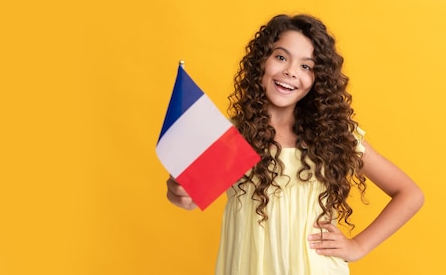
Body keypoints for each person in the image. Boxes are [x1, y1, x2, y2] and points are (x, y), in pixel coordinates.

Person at [166, 14, 424, 274]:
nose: (290, 71)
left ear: (318, 80)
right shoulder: (232, 137)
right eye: (281, 57)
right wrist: (179, 190)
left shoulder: (333, 135)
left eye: (306, 66)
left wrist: (358, 246)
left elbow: (409, 194)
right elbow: (188, 198)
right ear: (261, 62)